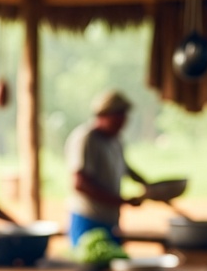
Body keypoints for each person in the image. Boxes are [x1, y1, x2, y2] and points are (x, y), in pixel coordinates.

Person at [65, 90, 183, 246]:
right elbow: (81, 184)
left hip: (111, 218)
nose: (124, 121)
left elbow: (124, 167)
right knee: (90, 263)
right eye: (119, 116)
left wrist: (151, 187)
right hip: (88, 218)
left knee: (111, 261)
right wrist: (122, 201)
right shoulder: (86, 139)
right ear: (104, 115)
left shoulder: (115, 140)